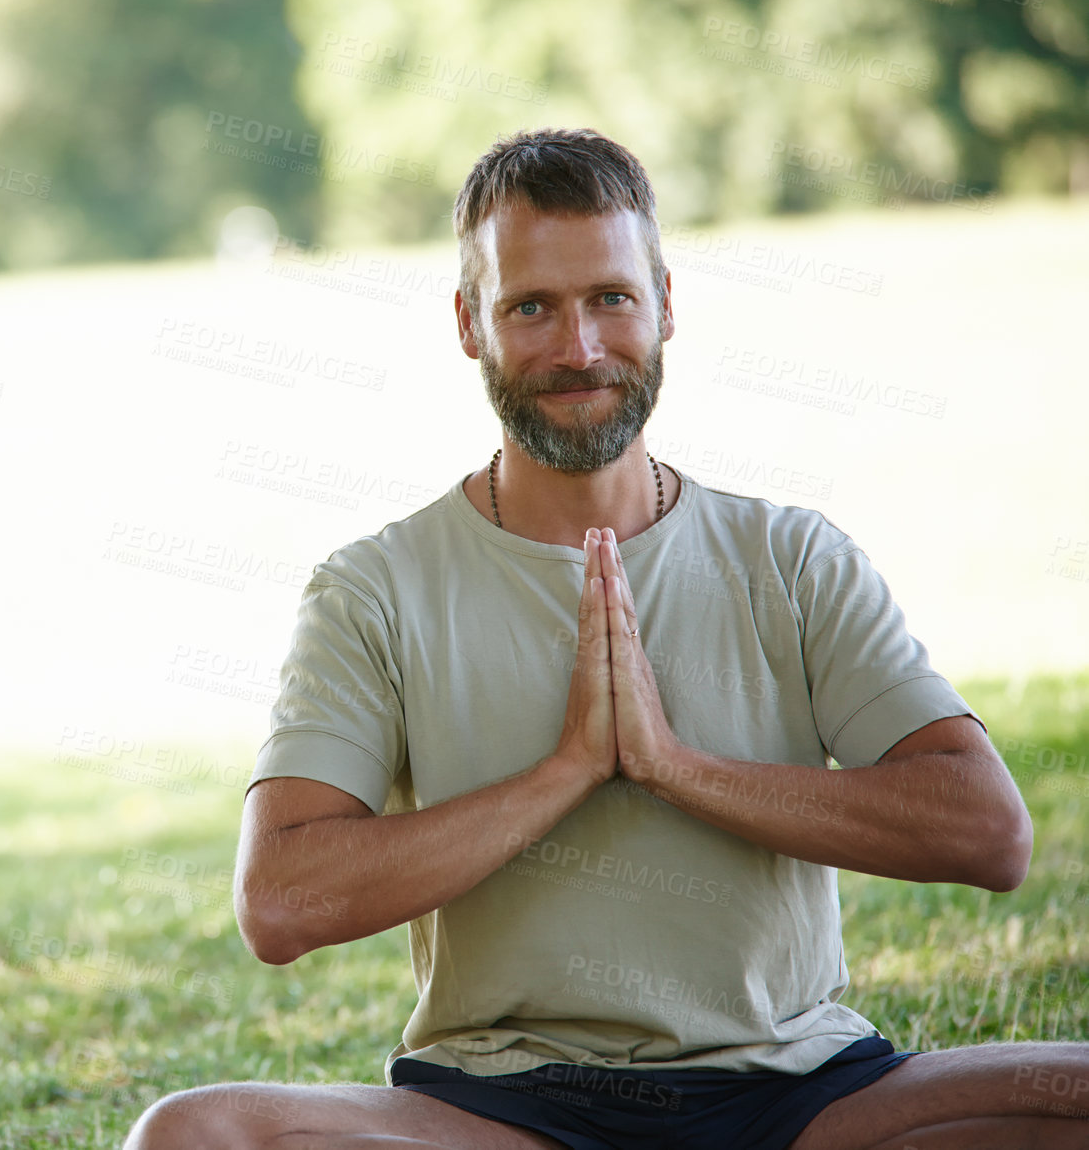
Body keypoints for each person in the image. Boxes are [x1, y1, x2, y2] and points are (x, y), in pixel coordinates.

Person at [124, 127, 1084, 1150]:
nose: (577, 348)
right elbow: (279, 902)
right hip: (499, 1109)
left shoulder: (792, 556)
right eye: (529, 306)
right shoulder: (374, 588)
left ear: (666, 303)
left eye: (609, 299)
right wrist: (568, 769)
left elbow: (987, 831)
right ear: (468, 323)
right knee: (193, 1133)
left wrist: (672, 766)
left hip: (799, 1096)